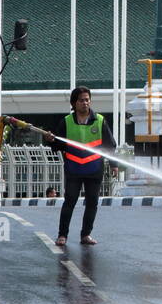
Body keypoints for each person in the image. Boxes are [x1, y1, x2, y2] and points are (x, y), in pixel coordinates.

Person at [45, 87, 116, 246]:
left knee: (92, 202)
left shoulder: (99, 120)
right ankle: (62, 235)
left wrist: (114, 165)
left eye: (87, 99)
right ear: (74, 103)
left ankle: (86, 234)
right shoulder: (66, 122)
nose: (85, 103)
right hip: (73, 169)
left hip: (94, 169)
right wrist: (50, 139)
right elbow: (58, 145)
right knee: (70, 201)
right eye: (81, 100)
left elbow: (109, 145)